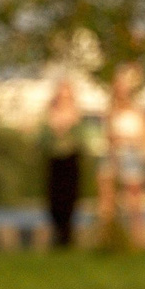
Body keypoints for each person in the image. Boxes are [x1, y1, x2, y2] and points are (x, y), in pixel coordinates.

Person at [98, 63, 145, 250]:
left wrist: (130, 140)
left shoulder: (139, 111)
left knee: (134, 202)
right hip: (114, 154)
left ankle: (137, 241)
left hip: (132, 155)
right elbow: (109, 135)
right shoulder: (110, 110)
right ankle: (108, 239)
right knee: (107, 201)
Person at [40, 77, 86, 249]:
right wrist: (55, 130)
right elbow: (41, 140)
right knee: (54, 199)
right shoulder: (48, 116)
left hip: (71, 161)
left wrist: (68, 129)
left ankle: (68, 236)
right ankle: (57, 234)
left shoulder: (77, 116)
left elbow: (81, 141)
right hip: (54, 161)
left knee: (70, 198)